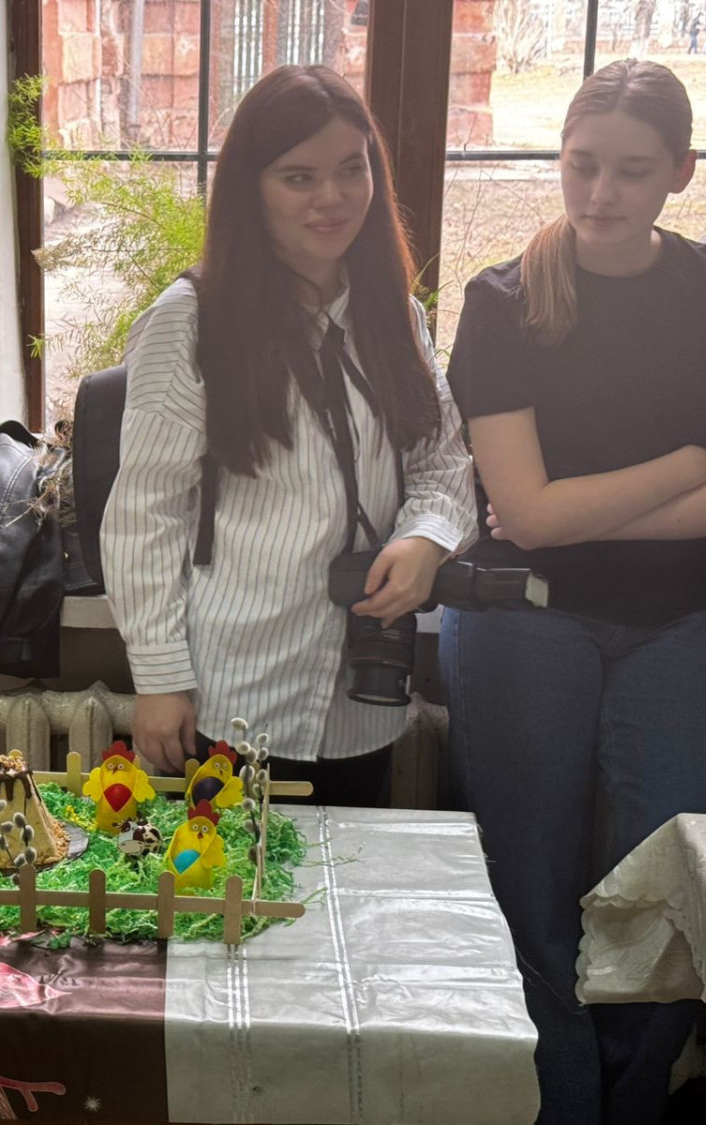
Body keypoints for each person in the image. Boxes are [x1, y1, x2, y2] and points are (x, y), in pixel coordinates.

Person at [440, 60, 706, 1125]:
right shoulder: (502, 300)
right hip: (518, 620)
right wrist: (684, 467)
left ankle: (630, 1105)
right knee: (527, 893)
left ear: (681, 171)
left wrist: (578, 511)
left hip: (674, 626)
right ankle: (560, 1107)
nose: (599, 193)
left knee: (676, 892)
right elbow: (525, 517)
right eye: (582, 165)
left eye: (632, 171)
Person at [101, 64, 475, 807]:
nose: (331, 197)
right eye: (299, 177)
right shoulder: (193, 319)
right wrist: (160, 677)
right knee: (222, 882)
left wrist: (426, 540)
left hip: (359, 700)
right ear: (252, 189)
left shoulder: (394, 315)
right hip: (230, 699)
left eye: (351, 169)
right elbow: (147, 510)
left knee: (342, 879)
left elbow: (443, 460)